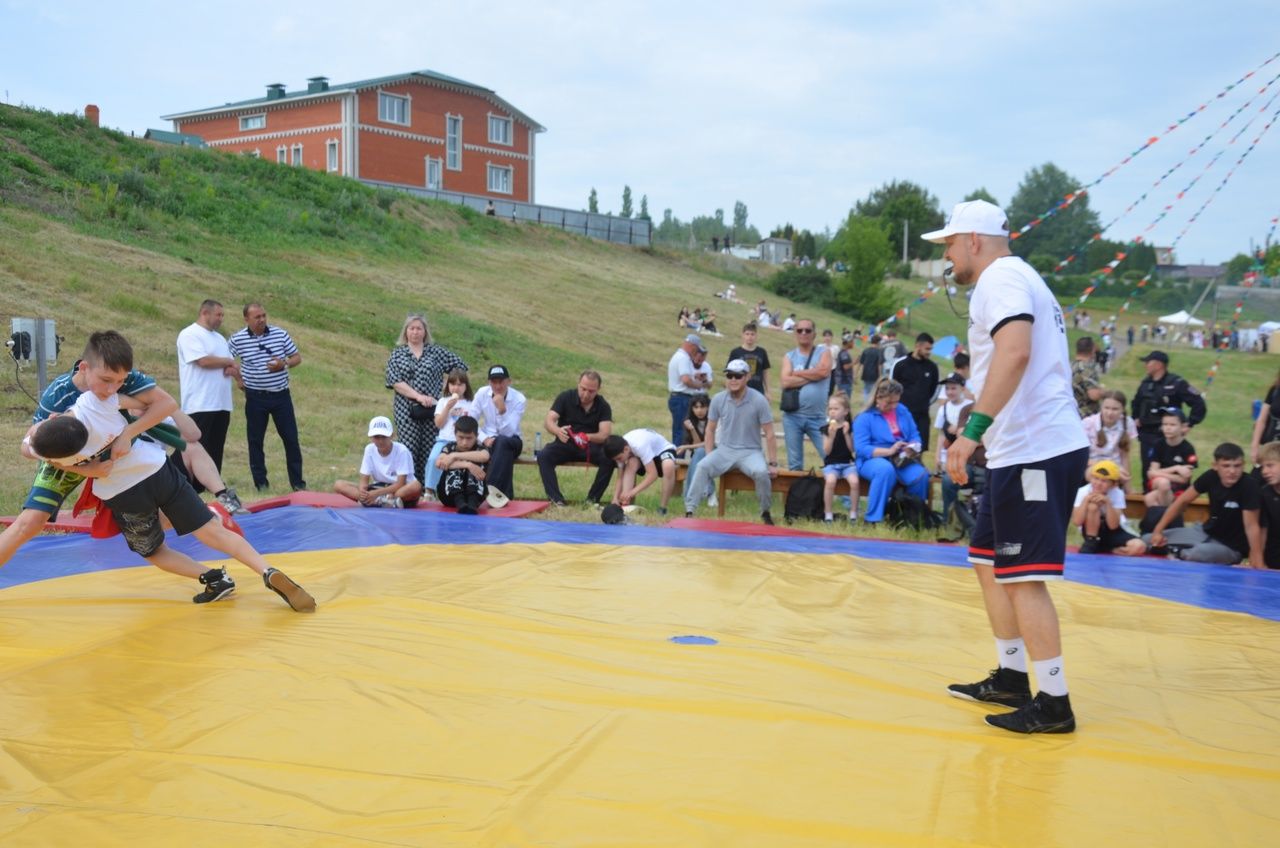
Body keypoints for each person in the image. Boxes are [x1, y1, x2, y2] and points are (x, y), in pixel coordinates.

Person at [927, 199, 1089, 734]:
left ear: (974, 239)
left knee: (1023, 576)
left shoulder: (1001, 279)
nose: (947, 255)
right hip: (1017, 446)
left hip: (1036, 448)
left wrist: (970, 434)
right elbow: (1011, 359)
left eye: (949, 243)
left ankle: (1054, 702)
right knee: (986, 558)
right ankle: (1013, 676)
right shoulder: (1011, 278)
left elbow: (1014, 352)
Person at [25, 338, 315, 612]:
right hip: (156, 468)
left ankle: (214, 578)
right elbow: (140, 404)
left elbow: (34, 450)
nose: (111, 388)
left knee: (153, 551)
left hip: (121, 492)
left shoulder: (60, 453)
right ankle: (266, 569)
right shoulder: (93, 402)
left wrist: (87, 468)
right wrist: (127, 428)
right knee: (212, 531)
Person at [683, 359, 779, 524]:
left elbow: (770, 433)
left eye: (738, 376)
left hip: (751, 451)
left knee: (762, 473)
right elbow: (710, 430)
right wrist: (708, 454)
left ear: (747, 377)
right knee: (702, 466)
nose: (733, 379)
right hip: (724, 450)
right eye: (729, 375)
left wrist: (773, 463)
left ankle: (765, 512)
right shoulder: (718, 399)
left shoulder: (759, 400)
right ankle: (690, 511)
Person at [227, 302, 305, 492]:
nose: (262, 320)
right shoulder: (238, 339)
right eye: (257, 317)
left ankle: (298, 483)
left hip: (281, 396)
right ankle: (261, 484)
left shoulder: (280, 334)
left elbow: (297, 357)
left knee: (291, 439)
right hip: (255, 398)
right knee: (255, 441)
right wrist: (238, 378)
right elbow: (226, 360)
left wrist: (284, 363)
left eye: (263, 316)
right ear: (247, 319)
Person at [1145, 443, 1263, 567]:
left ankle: (1173, 552)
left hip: (1231, 547)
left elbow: (1252, 526)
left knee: (1198, 553)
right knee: (1148, 539)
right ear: (1215, 466)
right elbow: (1181, 502)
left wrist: (1257, 563)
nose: (1232, 471)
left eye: (1237, 466)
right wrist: (1158, 530)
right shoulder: (1210, 476)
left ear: (1244, 465)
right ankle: (1171, 551)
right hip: (1206, 533)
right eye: (1226, 466)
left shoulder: (1249, 486)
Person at [385, 313, 468, 484]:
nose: (415, 332)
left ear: (425, 332)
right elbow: (395, 381)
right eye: (411, 328)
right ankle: (407, 486)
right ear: (406, 331)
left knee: (430, 448)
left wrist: (449, 388)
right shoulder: (398, 354)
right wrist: (418, 396)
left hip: (433, 409)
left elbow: (461, 367)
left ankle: (428, 488)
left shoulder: (436, 352)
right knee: (409, 447)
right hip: (406, 408)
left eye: (419, 328)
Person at [176, 299, 239, 487]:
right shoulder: (190, 334)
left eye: (222, 315)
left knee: (215, 447)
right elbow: (202, 361)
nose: (221, 319)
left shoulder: (220, 339)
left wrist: (232, 369)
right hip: (200, 402)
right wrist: (227, 362)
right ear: (205, 312)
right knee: (193, 446)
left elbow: (227, 364)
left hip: (221, 403)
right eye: (218, 314)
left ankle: (208, 486)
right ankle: (178, 481)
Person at [852, 378, 929, 524]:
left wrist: (913, 446)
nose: (894, 406)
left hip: (901, 458)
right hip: (872, 459)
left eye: (896, 401)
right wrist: (889, 451)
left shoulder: (902, 410)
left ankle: (913, 517)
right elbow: (861, 448)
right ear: (877, 398)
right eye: (889, 402)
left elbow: (914, 433)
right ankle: (873, 519)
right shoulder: (864, 418)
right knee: (885, 470)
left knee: (921, 475)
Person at [538, 370, 614, 506]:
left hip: (590, 447)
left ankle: (592, 500)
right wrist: (558, 431)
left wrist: (587, 437)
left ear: (598, 390)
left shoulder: (603, 405)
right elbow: (548, 421)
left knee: (609, 458)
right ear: (578, 384)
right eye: (583, 389)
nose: (586, 394)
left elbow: (605, 434)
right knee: (544, 456)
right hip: (566, 442)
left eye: (591, 391)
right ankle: (556, 499)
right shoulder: (565, 397)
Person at [1132, 350, 1206, 487]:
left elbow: (1198, 403)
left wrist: (1190, 423)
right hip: (1147, 435)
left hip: (1168, 437)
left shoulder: (1177, 383)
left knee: (1171, 474)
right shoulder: (1145, 383)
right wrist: (1135, 418)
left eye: (1148, 362)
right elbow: (1136, 403)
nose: (1146, 365)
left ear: (1159, 364)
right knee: (1147, 471)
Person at [333, 416, 423, 508]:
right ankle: (384, 502)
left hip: (399, 490)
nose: (380, 441)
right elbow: (364, 480)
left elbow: (401, 483)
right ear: (371, 437)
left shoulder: (402, 451)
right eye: (376, 437)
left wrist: (376, 493)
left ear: (391, 435)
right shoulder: (369, 449)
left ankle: (382, 500)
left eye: (384, 437)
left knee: (416, 486)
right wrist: (363, 493)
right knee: (339, 485)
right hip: (378, 486)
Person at [779, 318, 832, 470]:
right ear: (795, 333)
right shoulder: (789, 356)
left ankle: (845, 493)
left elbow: (823, 371)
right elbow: (785, 382)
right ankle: (797, 494)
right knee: (795, 464)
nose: (803, 333)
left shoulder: (824, 352)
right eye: (800, 330)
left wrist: (797, 373)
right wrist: (812, 376)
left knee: (831, 457)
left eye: (807, 330)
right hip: (792, 417)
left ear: (814, 334)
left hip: (817, 418)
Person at [471, 364, 526, 501]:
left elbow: (509, 431)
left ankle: (489, 487)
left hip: (512, 441)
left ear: (509, 381)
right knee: (501, 450)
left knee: (501, 442)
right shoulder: (482, 393)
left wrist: (502, 410)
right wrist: (483, 438)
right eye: (493, 382)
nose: (497, 386)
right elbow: (470, 421)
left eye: (501, 381)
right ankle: (503, 497)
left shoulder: (519, 399)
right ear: (489, 382)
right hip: (488, 441)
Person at [1072, 460, 1147, 555]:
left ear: (1114, 484)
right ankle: (1092, 541)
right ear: (1091, 478)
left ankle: (1107, 550)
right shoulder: (1083, 491)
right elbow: (1077, 521)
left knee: (1139, 547)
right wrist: (1086, 500)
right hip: (1090, 531)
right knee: (1093, 506)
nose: (1098, 483)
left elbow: (1113, 526)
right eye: (1095, 478)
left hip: (1112, 531)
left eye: (1104, 481)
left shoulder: (1117, 493)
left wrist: (1108, 503)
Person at [603, 430, 679, 515]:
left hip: (662, 451)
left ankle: (663, 508)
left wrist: (632, 492)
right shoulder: (620, 450)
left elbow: (653, 475)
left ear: (626, 449)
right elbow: (620, 477)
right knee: (631, 463)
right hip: (645, 453)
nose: (618, 461)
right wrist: (615, 498)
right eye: (616, 460)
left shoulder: (639, 445)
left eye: (619, 458)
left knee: (668, 466)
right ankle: (625, 504)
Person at [423, 369, 474, 494]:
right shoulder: (442, 401)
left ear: (466, 386)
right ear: (448, 385)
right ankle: (429, 491)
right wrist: (447, 408)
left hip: (463, 443)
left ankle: (469, 490)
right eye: (452, 384)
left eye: (460, 384)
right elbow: (438, 424)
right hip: (444, 441)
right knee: (433, 459)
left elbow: (474, 425)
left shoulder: (471, 403)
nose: (456, 388)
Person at [888, 332, 939, 452]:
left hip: (921, 416)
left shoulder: (932, 367)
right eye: (927, 349)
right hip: (900, 415)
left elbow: (933, 391)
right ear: (917, 346)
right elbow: (891, 387)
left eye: (930, 349)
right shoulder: (900, 364)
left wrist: (922, 403)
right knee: (899, 448)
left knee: (918, 449)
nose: (929, 352)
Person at [933, 374, 972, 520]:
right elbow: (941, 434)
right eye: (947, 388)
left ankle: (963, 513)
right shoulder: (943, 409)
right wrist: (937, 456)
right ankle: (948, 517)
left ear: (962, 388)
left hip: (966, 456)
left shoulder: (969, 407)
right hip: (947, 455)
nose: (950, 392)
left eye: (953, 388)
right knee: (948, 480)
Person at [434, 415, 492, 514]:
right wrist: (467, 465)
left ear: (477, 436)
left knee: (475, 466)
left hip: (476, 497)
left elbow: (484, 456)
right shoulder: (449, 447)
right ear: (455, 434)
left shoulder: (480, 448)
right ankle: (460, 503)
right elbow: (439, 463)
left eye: (469, 438)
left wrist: (454, 456)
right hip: (449, 496)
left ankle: (471, 505)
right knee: (458, 468)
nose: (465, 442)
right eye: (461, 437)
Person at [1080, 390, 1138, 488]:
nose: (1110, 413)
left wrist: (1128, 488)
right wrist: (1109, 467)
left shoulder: (1128, 423)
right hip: (1093, 466)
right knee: (1102, 476)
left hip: (1117, 468)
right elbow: (1083, 458)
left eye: (1115, 409)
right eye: (1106, 408)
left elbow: (1125, 456)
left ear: (1122, 409)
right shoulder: (1088, 423)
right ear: (1101, 407)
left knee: (1119, 476)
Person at [821, 393, 859, 523]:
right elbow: (826, 451)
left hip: (848, 463)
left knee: (854, 482)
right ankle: (828, 513)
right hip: (831, 464)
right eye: (830, 409)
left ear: (846, 411)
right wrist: (831, 436)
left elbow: (852, 449)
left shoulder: (850, 427)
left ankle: (853, 513)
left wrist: (846, 434)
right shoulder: (826, 429)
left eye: (836, 409)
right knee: (830, 481)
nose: (832, 412)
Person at [668, 334, 711, 447]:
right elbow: (686, 380)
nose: (696, 352)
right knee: (682, 431)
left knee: (679, 430)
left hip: (677, 397)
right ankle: (678, 459)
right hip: (682, 398)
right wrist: (698, 385)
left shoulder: (678, 355)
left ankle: (677, 457)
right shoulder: (684, 358)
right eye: (696, 349)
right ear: (692, 346)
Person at [677, 393, 716, 509]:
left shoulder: (714, 420)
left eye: (702, 407)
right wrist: (692, 429)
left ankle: (691, 495)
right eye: (696, 407)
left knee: (701, 454)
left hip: (718, 450)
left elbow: (710, 442)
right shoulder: (691, 422)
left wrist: (685, 447)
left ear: (708, 407)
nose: (699, 410)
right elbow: (697, 444)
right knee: (700, 453)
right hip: (702, 453)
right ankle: (708, 493)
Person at [727, 322, 771, 402]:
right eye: (747, 334)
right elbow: (729, 374)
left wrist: (768, 391)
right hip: (740, 390)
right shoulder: (736, 352)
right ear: (743, 335)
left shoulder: (762, 352)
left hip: (758, 390)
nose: (749, 337)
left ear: (756, 336)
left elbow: (765, 372)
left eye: (752, 334)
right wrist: (729, 389)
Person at [1249, 368, 1280, 465]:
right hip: (1269, 447)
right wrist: (1255, 446)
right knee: (1259, 477)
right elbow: (1262, 420)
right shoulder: (1276, 389)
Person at [1257, 441, 1280, 568]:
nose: (1264, 471)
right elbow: (1262, 531)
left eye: (1270, 466)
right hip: (1273, 559)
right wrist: (1260, 563)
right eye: (1262, 467)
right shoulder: (1264, 494)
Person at [1071, 336, 1103, 417]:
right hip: (1086, 415)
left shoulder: (1070, 366)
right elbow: (1093, 395)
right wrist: (1104, 392)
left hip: (1071, 412)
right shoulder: (1087, 368)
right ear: (1093, 350)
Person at [855, 333, 883, 400]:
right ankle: (869, 404)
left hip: (865, 373)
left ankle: (865, 403)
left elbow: (860, 363)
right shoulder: (879, 352)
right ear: (878, 342)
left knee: (866, 390)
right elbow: (879, 365)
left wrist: (855, 374)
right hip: (874, 375)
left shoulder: (866, 350)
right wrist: (880, 376)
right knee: (873, 391)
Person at [833, 332, 855, 397]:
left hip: (843, 381)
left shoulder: (843, 352)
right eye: (852, 342)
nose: (853, 344)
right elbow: (845, 367)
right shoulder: (844, 354)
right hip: (844, 381)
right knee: (845, 401)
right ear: (848, 342)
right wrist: (855, 362)